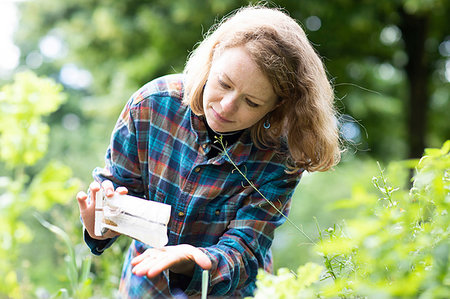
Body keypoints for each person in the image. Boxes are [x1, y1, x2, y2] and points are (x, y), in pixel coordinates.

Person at [76, 5, 340, 298]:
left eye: (251, 102)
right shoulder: (152, 106)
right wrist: (101, 222)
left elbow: (246, 250)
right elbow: (118, 191)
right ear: (212, 59)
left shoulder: (280, 156)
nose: (227, 106)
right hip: (146, 285)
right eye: (223, 83)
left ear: (277, 105)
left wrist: (196, 261)